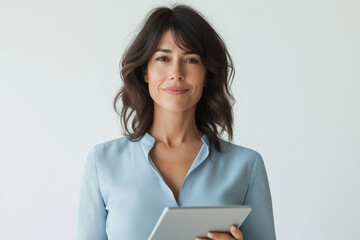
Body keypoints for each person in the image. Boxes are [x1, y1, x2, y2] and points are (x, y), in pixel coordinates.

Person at [77, 4, 276, 240]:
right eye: (163, 58)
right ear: (145, 71)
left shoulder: (246, 165)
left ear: (207, 75)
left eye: (191, 60)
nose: (176, 72)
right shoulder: (102, 163)